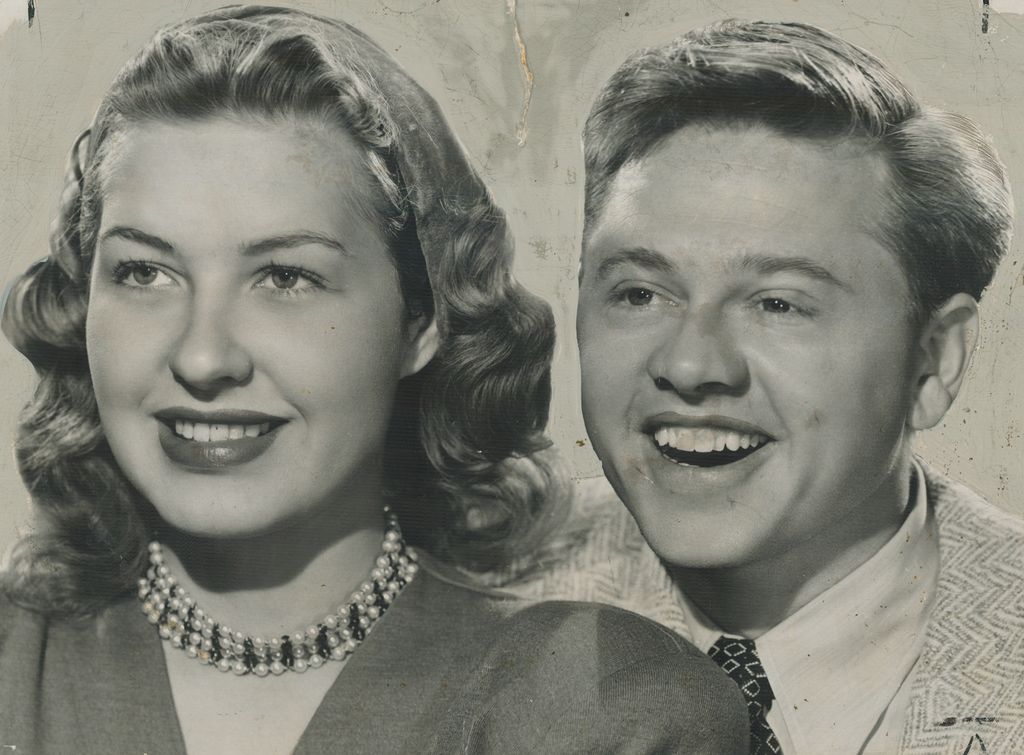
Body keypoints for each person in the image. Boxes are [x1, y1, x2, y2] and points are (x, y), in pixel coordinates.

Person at [0, 7, 749, 754]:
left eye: (285, 276)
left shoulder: (591, 703)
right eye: (144, 271)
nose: (202, 358)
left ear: (421, 321)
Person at [502, 19, 1024, 755]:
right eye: (641, 293)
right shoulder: (464, 592)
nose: (690, 365)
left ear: (934, 363)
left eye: (778, 303)